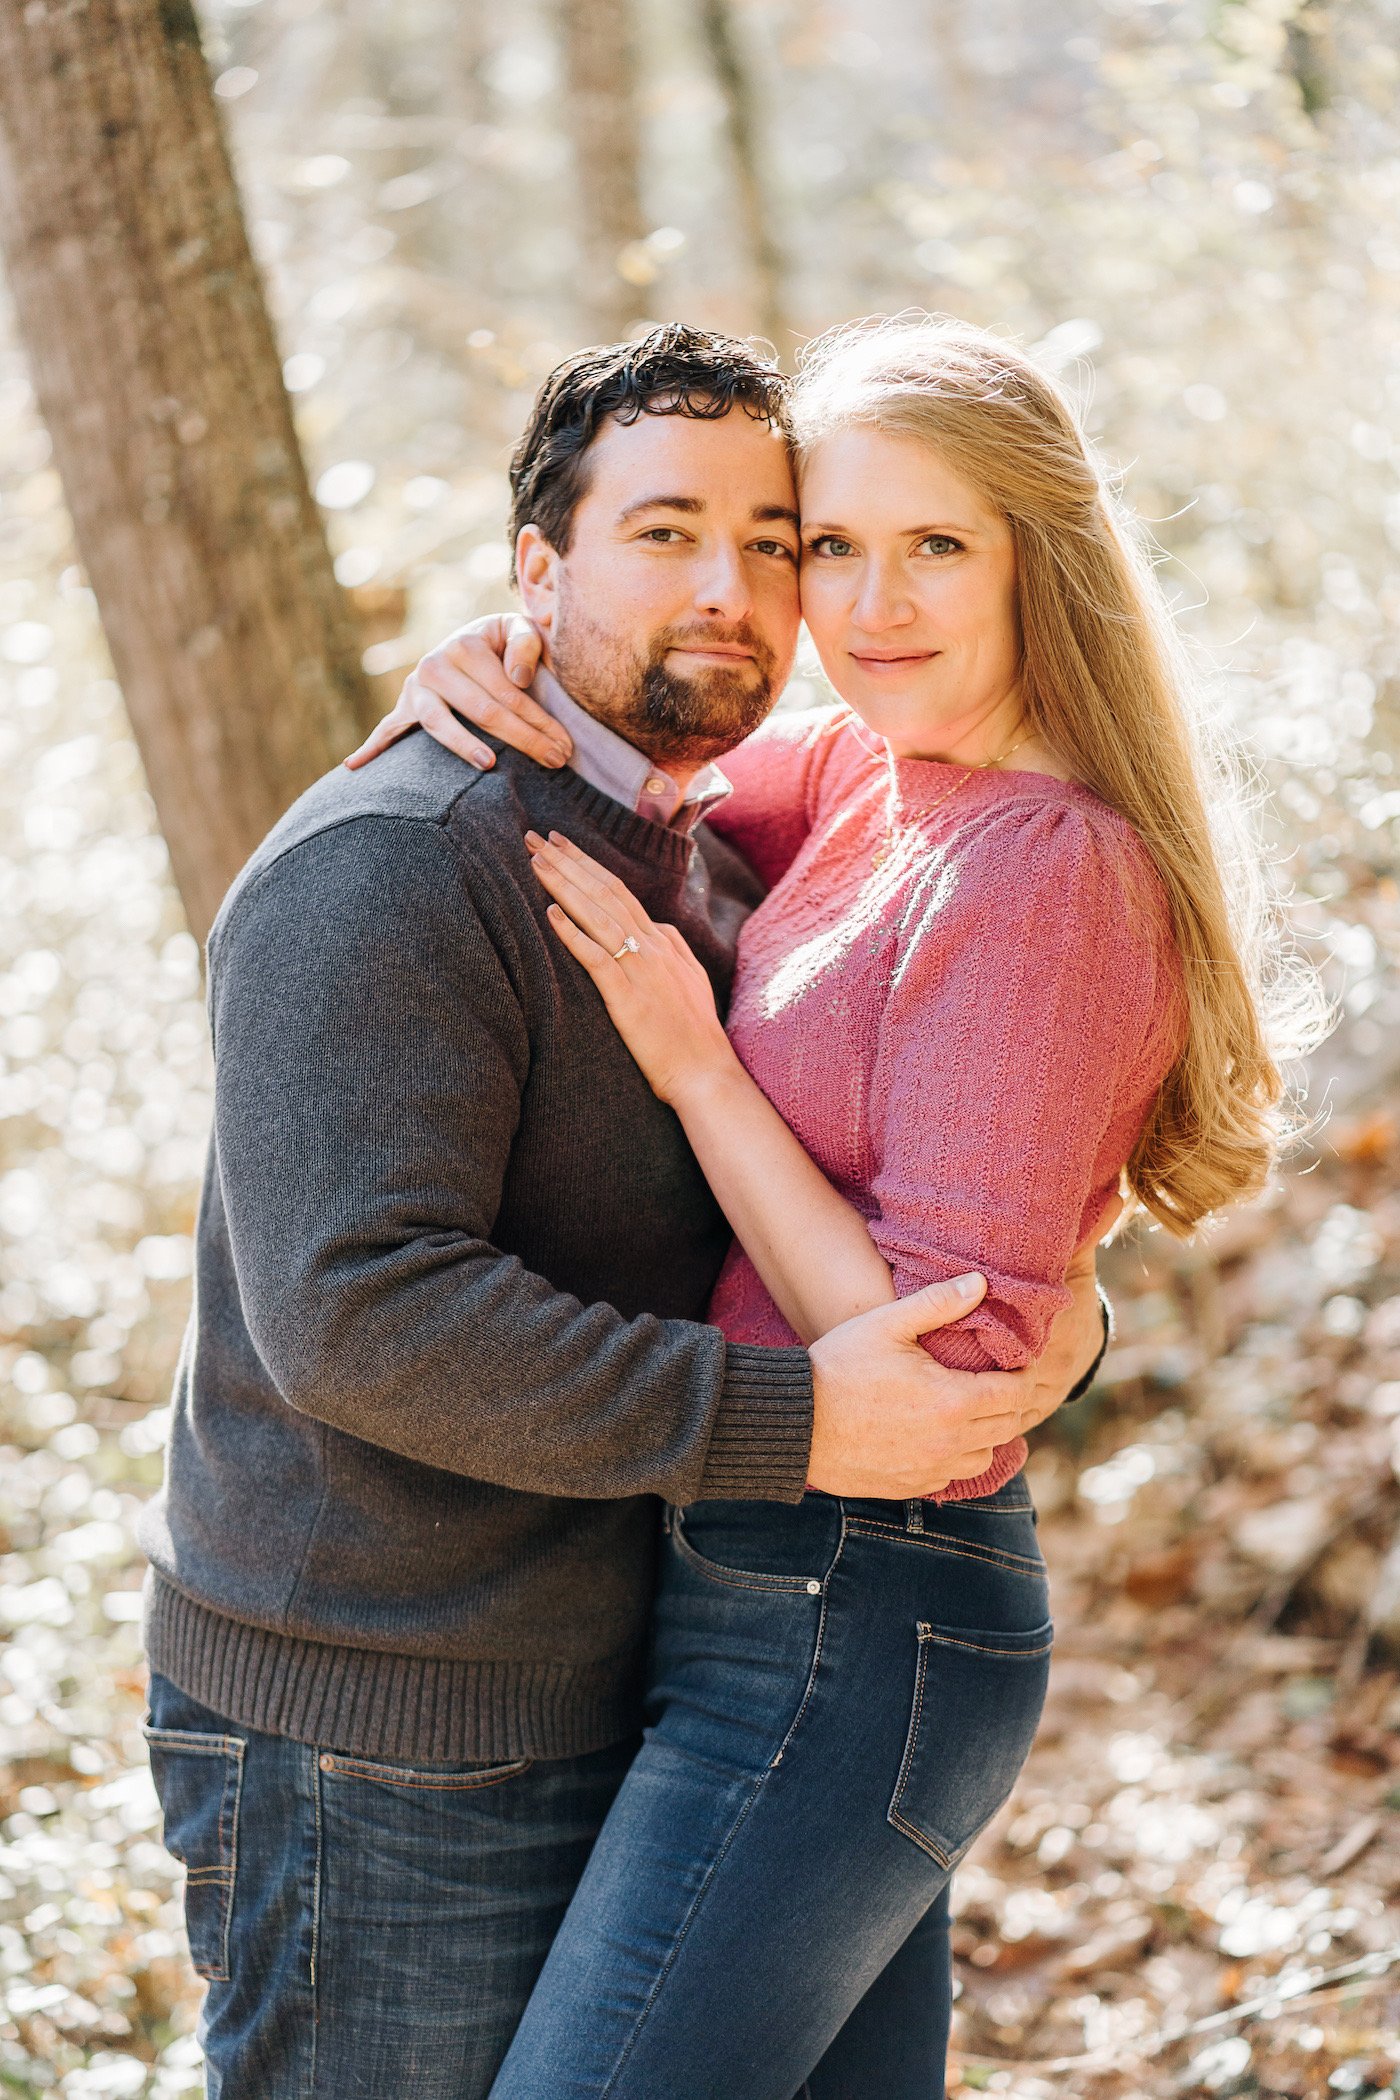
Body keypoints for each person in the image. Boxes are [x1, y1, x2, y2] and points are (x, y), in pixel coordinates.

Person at [139, 324, 1107, 2100]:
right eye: (663, 530)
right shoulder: (392, 865)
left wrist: (1059, 1313)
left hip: (635, 1676)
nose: (731, 586)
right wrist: (802, 1419)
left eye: (772, 536)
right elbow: (360, 1311)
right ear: (538, 565)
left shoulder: (726, 843)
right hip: (378, 1729)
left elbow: (935, 1125)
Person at [355, 316, 1308, 2099]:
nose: (869, 605)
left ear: (1048, 558)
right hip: (764, 1574)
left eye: (937, 544)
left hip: (865, 1606)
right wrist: (489, 644)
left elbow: (934, 1382)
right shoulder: (875, 769)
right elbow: (649, 742)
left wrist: (697, 1066)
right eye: (829, 548)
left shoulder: (1051, 869)